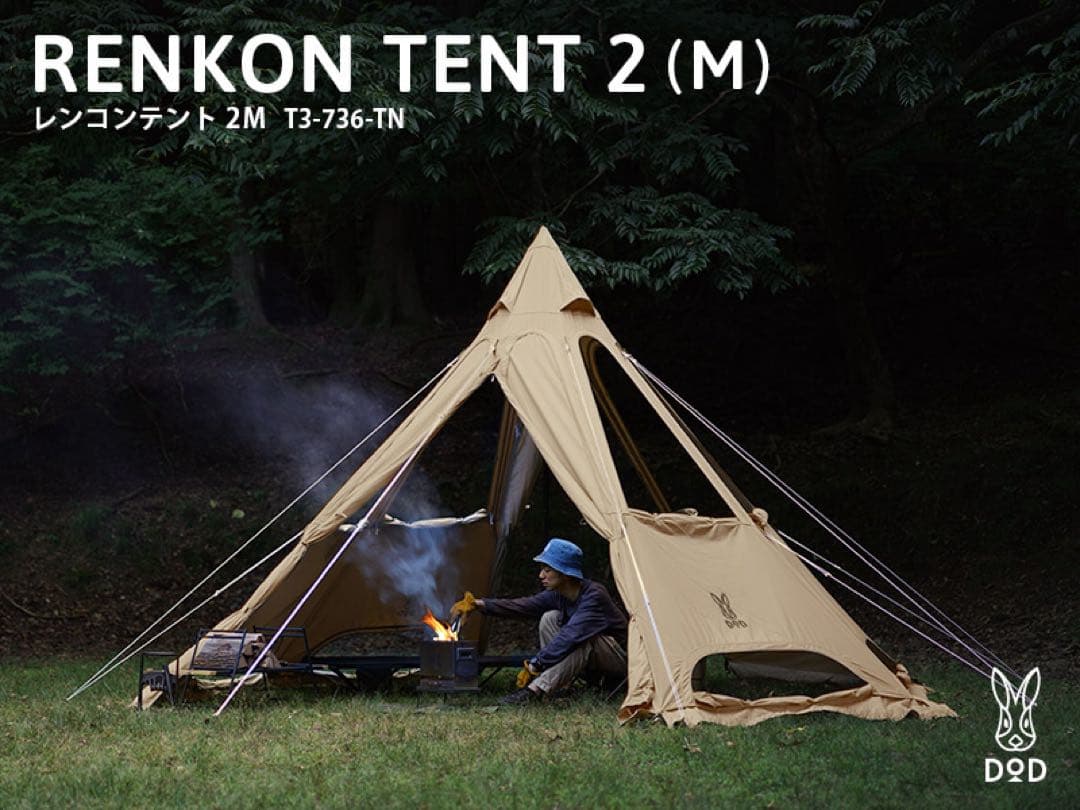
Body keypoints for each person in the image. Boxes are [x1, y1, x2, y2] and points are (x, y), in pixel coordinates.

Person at [451, 537, 627, 705]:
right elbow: (523, 606)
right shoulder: (559, 594)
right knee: (549, 617)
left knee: (582, 641)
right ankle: (558, 685)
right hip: (590, 658)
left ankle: (534, 691)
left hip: (621, 661)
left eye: (547, 570)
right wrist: (478, 604)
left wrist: (536, 664)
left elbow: (570, 636)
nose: (541, 575)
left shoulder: (594, 595)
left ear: (565, 573)